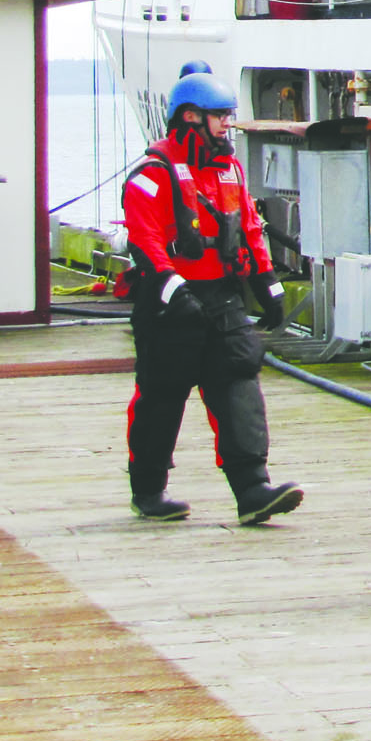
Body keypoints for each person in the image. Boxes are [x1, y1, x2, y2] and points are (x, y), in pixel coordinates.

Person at [121, 71, 304, 526]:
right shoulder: (152, 174)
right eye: (220, 117)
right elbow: (143, 238)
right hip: (169, 303)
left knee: (239, 380)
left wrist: (268, 284)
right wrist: (171, 287)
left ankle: (252, 490)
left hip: (222, 297)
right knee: (161, 396)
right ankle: (148, 489)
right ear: (190, 118)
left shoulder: (229, 169)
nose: (227, 125)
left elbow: (249, 227)